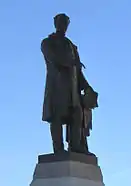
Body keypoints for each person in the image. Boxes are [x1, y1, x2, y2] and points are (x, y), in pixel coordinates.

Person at [41, 13, 95, 154]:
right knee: (57, 117)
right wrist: (71, 63)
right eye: (61, 22)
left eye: (65, 23)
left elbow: (78, 71)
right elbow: (53, 59)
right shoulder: (48, 42)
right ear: (55, 23)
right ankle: (58, 149)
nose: (63, 25)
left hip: (73, 89)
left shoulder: (72, 46)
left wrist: (87, 87)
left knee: (76, 115)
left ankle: (75, 146)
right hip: (57, 86)